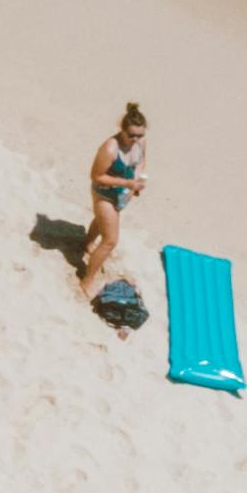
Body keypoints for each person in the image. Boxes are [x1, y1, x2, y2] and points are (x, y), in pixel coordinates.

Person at [77, 103, 147, 328]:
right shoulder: (110, 148)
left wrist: (137, 179)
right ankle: (87, 280)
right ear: (122, 130)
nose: (135, 139)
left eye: (140, 135)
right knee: (110, 241)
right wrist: (126, 182)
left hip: (121, 194)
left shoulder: (140, 143)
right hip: (105, 195)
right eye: (132, 135)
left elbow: (141, 159)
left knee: (101, 223)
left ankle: (86, 243)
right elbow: (96, 176)